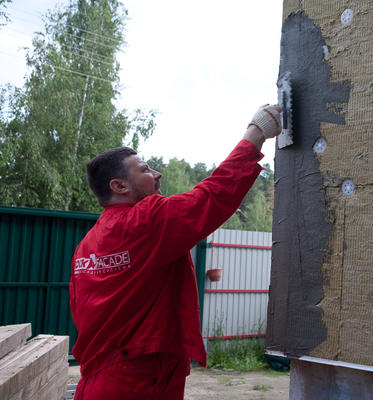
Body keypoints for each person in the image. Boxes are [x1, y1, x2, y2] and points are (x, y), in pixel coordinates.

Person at [70, 105, 282, 400]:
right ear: (118, 186)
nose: (156, 175)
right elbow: (212, 195)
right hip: (137, 382)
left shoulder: (88, 246)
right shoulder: (144, 220)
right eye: (144, 169)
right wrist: (257, 131)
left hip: (100, 382)